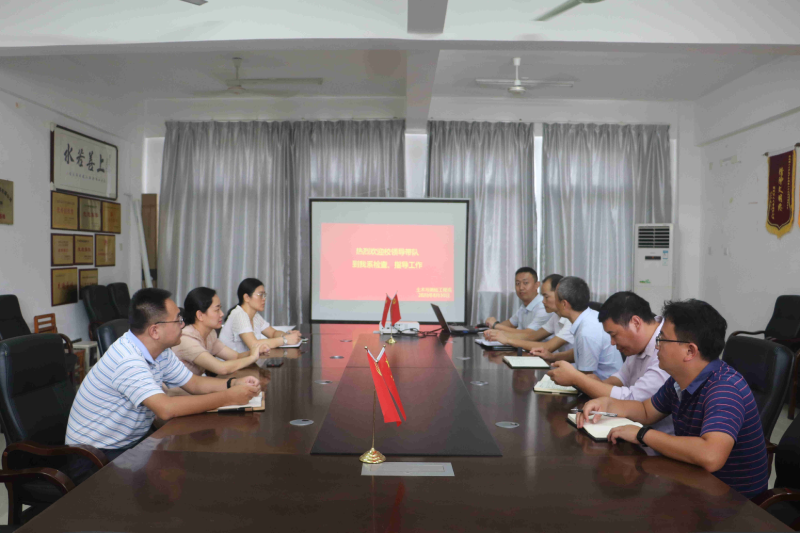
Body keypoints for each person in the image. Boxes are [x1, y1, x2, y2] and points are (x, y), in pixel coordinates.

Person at [578, 299, 769, 498]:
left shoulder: (725, 389)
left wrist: (642, 434)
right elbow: (646, 411)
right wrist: (608, 403)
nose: (657, 346)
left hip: (733, 501)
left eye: (662, 339)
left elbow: (711, 456)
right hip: (695, 482)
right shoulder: (679, 380)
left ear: (690, 351)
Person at [66, 288, 261, 466]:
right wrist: (229, 397)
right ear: (155, 330)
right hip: (95, 455)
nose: (183, 325)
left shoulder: (161, 351)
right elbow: (166, 409)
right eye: (177, 320)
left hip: (131, 442)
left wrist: (233, 383)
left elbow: (194, 383)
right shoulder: (128, 360)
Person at [547, 291, 673, 434]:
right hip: (634, 429)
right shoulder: (639, 342)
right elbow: (622, 376)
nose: (612, 342)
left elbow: (633, 400)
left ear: (636, 323)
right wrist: (597, 384)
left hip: (657, 436)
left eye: (614, 335)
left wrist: (578, 378)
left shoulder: (666, 348)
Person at [532, 276, 622, 380]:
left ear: (564, 304)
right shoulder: (589, 315)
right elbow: (580, 352)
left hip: (604, 385)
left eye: (556, 298)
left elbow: (584, 379)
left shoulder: (586, 332)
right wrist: (552, 357)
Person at [174, 287, 270, 376]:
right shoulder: (187, 339)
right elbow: (221, 368)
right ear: (200, 315)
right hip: (178, 389)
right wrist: (252, 357)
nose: (222, 314)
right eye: (217, 310)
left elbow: (235, 356)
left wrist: (257, 351)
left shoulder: (210, 334)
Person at [484, 274, 574, 355]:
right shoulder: (556, 316)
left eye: (546, 297)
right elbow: (533, 336)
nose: (543, 301)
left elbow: (547, 347)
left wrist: (508, 340)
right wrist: (500, 334)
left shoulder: (571, 319)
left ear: (560, 295)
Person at [219, 278, 301, 352]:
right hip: (231, 363)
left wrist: (288, 336)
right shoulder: (239, 315)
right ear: (247, 297)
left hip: (245, 361)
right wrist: (285, 340)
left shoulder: (255, 316)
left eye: (264, 295)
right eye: (260, 295)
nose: (264, 299)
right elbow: (254, 345)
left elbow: (273, 333)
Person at [484, 267, 551, 333]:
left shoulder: (543, 306)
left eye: (525, 283)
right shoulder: (524, 306)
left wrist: (495, 325)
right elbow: (510, 324)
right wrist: (491, 327)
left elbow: (527, 334)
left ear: (537, 285)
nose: (521, 288)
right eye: (518, 283)